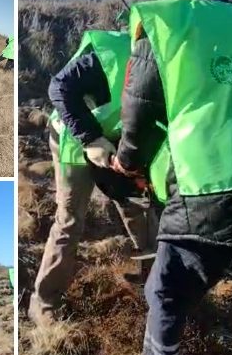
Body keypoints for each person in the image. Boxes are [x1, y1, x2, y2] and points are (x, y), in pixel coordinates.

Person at [111, 0, 232, 355]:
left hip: (204, 188)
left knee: (165, 292)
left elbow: (139, 111)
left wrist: (128, 160)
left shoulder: (163, 24)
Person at [27, 28, 159, 326]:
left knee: (139, 208)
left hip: (122, 141)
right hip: (74, 138)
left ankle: (153, 290)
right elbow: (59, 88)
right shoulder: (110, 53)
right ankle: (44, 302)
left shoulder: (177, 61)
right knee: (70, 219)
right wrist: (91, 139)